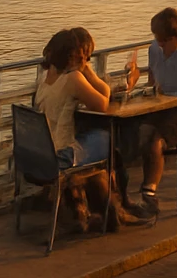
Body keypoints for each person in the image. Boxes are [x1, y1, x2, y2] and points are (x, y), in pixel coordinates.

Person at [33, 30, 134, 230]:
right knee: (109, 139)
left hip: (41, 155)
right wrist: (88, 71)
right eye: (82, 56)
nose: (85, 60)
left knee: (93, 140)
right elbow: (103, 102)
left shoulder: (45, 77)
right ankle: (119, 206)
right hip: (62, 155)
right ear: (73, 56)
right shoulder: (73, 78)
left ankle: (84, 208)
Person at [130, 8, 177, 217]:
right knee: (134, 131)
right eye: (158, 39)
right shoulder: (154, 50)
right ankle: (122, 194)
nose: (161, 44)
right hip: (160, 107)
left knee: (154, 139)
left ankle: (149, 193)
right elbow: (153, 85)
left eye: (165, 40)